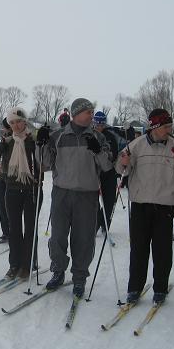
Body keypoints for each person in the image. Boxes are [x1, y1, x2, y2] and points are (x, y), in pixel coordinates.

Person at [117, 108, 174, 304]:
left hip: (165, 206)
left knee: (162, 250)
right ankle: (134, 288)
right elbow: (120, 168)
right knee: (139, 249)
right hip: (140, 205)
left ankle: (160, 288)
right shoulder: (137, 145)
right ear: (155, 127)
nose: (169, 129)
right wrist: (123, 162)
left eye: (170, 126)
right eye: (166, 126)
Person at [39, 98, 112, 297]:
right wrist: (42, 143)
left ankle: (79, 278)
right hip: (61, 192)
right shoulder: (58, 136)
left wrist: (97, 150)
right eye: (88, 112)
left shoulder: (98, 137)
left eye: (91, 111)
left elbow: (107, 167)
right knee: (58, 237)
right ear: (76, 113)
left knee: (84, 239)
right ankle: (58, 271)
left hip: (87, 195)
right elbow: (44, 164)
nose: (91, 115)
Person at [0, 108, 41, 278]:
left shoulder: (34, 140)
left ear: (25, 121)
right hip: (12, 189)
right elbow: (1, 164)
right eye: (12, 122)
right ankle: (15, 264)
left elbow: (44, 164)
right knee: (14, 229)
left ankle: (28, 264)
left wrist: (39, 145)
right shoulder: (7, 142)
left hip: (31, 190)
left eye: (18, 121)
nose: (15, 125)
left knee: (30, 229)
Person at [92, 111, 120, 233]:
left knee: (109, 200)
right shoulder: (90, 135)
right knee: (92, 199)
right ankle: (97, 220)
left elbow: (114, 154)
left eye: (102, 124)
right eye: (97, 124)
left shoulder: (110, 136)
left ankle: (105, 222)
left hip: (108, 172)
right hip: (93, 173)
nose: (99, 126)